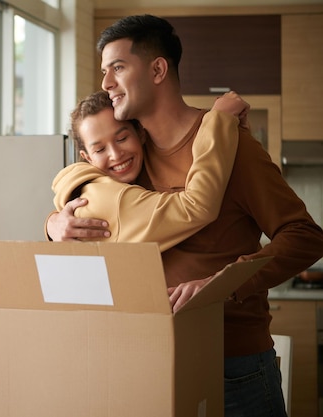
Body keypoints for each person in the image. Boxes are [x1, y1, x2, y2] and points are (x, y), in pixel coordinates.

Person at [46, 14, 323, 417]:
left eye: (117, 68)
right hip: (145, 361)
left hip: (231, 365)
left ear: (158, 69)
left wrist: (222, 284)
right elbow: (91, 201)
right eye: (104, 71)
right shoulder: (129, 159)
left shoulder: (231, 148)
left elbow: (305, 236)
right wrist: (55, 224)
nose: (105, 83)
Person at [51, 90, 247, 252]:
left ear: (141, 134)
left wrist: (51, 223)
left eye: (121, 139)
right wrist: (219, 120)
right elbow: (197, 208)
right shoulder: (111, 198)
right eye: (100, 149)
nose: (116, 154)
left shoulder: (79, 188)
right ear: (87, 158)